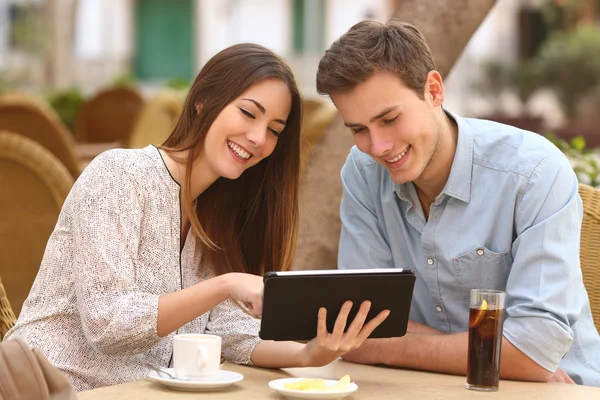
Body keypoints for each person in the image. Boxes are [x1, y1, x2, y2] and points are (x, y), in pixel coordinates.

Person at [4, 43, 389, 391]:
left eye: (274, 130)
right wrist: (224, 285)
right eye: (247, 113)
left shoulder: (222, 214)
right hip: (48, 386)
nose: (258, 138)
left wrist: (310, 355)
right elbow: (108, 323)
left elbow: (233, 333)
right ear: (203, 102)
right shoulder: (118, 176)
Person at [315, 19, 600, 386]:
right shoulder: (363, 171)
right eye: (358, 130)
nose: (379, 146)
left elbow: (534, 352)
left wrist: (380, 346)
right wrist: (495, 354)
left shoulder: (534, 173)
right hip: (426, 387)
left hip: (559, 391)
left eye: (390, 119)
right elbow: (356, 324)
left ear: (433, 90)